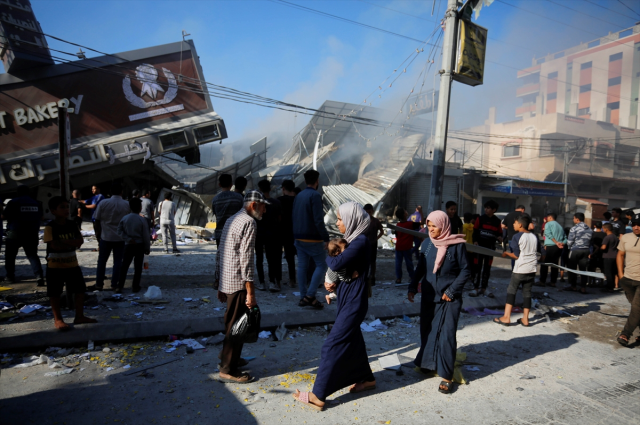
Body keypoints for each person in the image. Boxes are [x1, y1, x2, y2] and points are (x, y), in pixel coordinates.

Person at [293, 202, 373, 410]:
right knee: (353, 339)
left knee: (332, 344)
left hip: (354, 300)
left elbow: (336, 264)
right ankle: (367, 378)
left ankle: (318, 395)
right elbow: (341, 266)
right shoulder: (353, 240)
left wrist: (330, 254)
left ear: (351, 219)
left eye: (340, 219)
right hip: (348, 296)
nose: (337, 223)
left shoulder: (360, 241)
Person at [407, 210, 470, 394]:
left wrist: (452, 290)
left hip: (449, 297)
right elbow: (420, 267)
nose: (431, 229)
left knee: (447, 335)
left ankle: (446, 375)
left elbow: (465, 271)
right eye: (429, 225)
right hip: (428, 296)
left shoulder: (456, 245)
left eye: (435, 225)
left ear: (444, 225)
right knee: (427, 330)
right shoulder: (427, 243)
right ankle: (428, 363)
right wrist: (412, 286)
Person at [215, 190, 267, 383]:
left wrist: (219, 284)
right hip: (238, 283)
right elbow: (246, 259)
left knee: (232, 324)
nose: (264, 211)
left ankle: (227, 357)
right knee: (238, 327)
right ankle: (228, 369)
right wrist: (250, 291)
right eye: (263, 207)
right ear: (254, 205)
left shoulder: (232, 219)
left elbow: (221, 251)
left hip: (228, 281)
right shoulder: (249, 222)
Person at [44, 196, 97, 330]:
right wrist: (70, 243)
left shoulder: (72, 224)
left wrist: (64, 242)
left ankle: (79, 316)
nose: (66, 210)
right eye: (62, 207)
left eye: (67, 207)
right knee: (55, 293)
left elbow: (79, 241)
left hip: (72, 264)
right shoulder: (50, 227)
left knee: (80, 290)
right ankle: (58, 320)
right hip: (55, 265)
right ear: (53, 210)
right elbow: (54, 246)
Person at [496, 214, 543, 327]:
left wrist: (506, 253)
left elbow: (516, 255)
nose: (513, 224)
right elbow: (540, 252)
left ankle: (506, 317)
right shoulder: (534, 236)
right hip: (532, 269)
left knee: (511, 290)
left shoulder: (517, 236)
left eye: (515, 223)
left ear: (520, 225)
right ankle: (525, 319)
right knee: (527, 293)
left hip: (520, 269)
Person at [292, 169, 329, 310]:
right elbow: (318, 220)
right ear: (317, 181)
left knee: (302, 266)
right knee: (321, 265)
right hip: (313, 238)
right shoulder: (315, 196)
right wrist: (325, 237)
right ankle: (310, 295)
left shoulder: (299, 195)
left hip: (298, 237)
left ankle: (304, 297)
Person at [91, 182, 130, 291]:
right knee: (118, 262)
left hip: (106, 236)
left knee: (102, 261)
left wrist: (98, 234)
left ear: (110, 192)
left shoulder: (103, 203)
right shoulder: (126, 204)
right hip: (120, 238)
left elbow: (97, 220)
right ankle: (114, 284)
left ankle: (99, 284)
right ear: (121, 192)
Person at [2, 185, 45, 285]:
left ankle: (10, 277)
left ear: (18, 192)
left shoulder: (13, 202)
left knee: (10, 256)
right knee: (32, 255)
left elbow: (4, 216)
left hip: (15, 233)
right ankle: (39, 276)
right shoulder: (37, 203)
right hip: (32, 233)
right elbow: (42, 218)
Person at [116, 198, 151, 293]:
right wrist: (147, 247)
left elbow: (119, 231)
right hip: (139, 245)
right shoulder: (142, 219)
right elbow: (146, 235)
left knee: (124, 266)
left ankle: (120, 286)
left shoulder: (125, 218)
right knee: (138, 267)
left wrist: (127, 238)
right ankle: (135, 286)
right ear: (140, 207)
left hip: (128, 245)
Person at [616, 214, 640, 346]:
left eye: (639, 225)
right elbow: (620, 255)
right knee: (637, 309)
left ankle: (625, 334)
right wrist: (620, 274)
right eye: (634, 224)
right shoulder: (626, 237)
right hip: (627, 279)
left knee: (637, 308)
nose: (636, 227)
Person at [470, 200, 502, 297]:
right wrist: (475, 241)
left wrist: (500, 237)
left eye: (488, 208)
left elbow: (499, 233)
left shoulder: (497, 221)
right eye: (485, 208)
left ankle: (484, 288)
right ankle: (475, 288)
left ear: (494, 210)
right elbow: (475, 232)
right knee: (477, 268)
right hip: (479, 248)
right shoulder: (480, 219)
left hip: (490, 249)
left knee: (487, 269)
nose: (486, 210)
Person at [255, 179, 282, 292]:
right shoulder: (276, 203)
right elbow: (280, 219)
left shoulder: (256, 204)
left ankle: (262, 282)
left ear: (260, 189)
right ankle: (272, 282)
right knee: (271, 259)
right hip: (272, 234)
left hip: (258, 234)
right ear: (270, 189)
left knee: (259, 259)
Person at [212, 174, 244, 247]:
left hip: (220, 234)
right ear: (231, 184)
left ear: (219, 184)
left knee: (221, 257)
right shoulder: (239, 198)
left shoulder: (215, 199)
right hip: (235, 234)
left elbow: (215, 214)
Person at [324, 238, 359, 304]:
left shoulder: (335, 258)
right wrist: (352, 277)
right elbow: (343, 278)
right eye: (345, 248)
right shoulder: (339, 265)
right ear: (338, 253)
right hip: (331, 281)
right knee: (336, 293)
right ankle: (329, 296)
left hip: (328, 275)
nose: (347, 249)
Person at [565, 213, 593, 294]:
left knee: (572, 269)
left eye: (574, 218)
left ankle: (573, 286)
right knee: (583, 270)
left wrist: (569, 248)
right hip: (586, 250)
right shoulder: (589, 229)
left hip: (575, 250)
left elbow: (570, 241)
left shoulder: (574, 228)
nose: (573, 220)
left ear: (577, 219)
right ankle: (583, 287)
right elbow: (591, 241)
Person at [278, 180, 297, 288]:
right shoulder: (297, 200)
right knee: (293, 258)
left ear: (283, 189)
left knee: (280, 257)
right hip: (295, 231)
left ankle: (279, 280)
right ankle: (293, 280)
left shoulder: (279, 200)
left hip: (282, 231)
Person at [539, 213, 566, 287]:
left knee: (545, 264)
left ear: (550, 217)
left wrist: (556, 242)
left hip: (550, 246)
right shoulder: (560, 226)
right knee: (554, 265)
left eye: (547, 218)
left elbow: (548, 234)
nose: (546, 219)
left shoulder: (548, 224)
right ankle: (553, 282)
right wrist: (561, 244)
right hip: (558, 248)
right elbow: (565, 238)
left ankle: (542, 281)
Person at [363, 204, 383, 288]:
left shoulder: (375, 221)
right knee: (364, 261)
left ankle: (372, 277)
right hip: (364, 244)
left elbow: (382, 232)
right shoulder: (362, 221)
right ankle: (365, 277)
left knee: (372, 261)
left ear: (372, 212)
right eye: (366, 212)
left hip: (373, 244)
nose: (368, 214)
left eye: (370, 212)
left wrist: (376, 238)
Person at [394, 208, 415, 284]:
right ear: (404, 214)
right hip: (407, 247)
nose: (407, 211)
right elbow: (421, 222)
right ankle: (412, 277)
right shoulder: (410, 224)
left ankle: (398, 278)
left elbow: (396, 235)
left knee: (398, 263)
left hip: (399, 246)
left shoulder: (398, 225)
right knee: (409, 262)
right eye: (405, 211)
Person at [502, 205, 525, 270]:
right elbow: (531, 227)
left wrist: (509, 228)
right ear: (523, 209)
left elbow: (503, 225)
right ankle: (521, 270)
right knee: (522, 255)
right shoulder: (523, 215)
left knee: (514, 255)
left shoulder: (509, 215)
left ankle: (514, 270)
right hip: (522, 238)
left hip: (511, 238)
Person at [600, 223, 619, 292]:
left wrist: (600, 248)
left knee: (608, 272)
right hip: (615, 256)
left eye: (603, 228)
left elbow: (604, 247)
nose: (603, 230)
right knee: (613, 272)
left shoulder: (607, 237)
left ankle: (609, 287)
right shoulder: (615, 236)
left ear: (606, 229)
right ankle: (612, 285)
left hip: (607, 256)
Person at [588, 222, 605, 286]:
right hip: (602, 253)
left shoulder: (592, 234)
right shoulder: (604, 234)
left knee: (592, 268)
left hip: (593, 253)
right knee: (602, 269)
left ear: (595, 226)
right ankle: (602, 282)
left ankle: (591, 282)